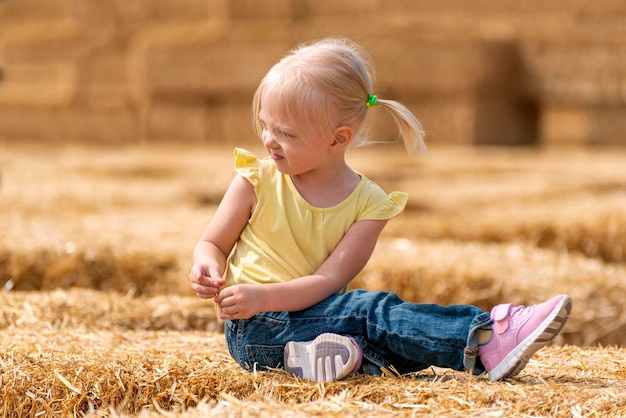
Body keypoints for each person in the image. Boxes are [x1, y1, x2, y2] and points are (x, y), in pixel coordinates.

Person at [189, 37, 572, 383]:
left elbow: (327, 282)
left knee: (394, 340)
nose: (270, 140)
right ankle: (486, 336)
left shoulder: (368, 204)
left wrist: (267, 297)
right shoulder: (257, 179)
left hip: (314, 317)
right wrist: (207, 265)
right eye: (264, 125)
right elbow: (213, 242)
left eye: (286, 133)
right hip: (255, 330)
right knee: (371, 311)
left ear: (338, 139)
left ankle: (333, 361)